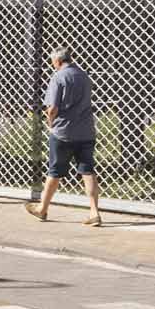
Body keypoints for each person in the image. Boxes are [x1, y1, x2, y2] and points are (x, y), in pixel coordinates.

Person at [26, 47, 102, 227]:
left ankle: (43, 208)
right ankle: (94, 212)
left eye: (53, 62)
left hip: (63, 132)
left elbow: (52, 108)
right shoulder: (84, 76)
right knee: (87, 171)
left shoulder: (58, 77)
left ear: (58, 61)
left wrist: (50, 122)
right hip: (86, 131)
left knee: (55, 171)